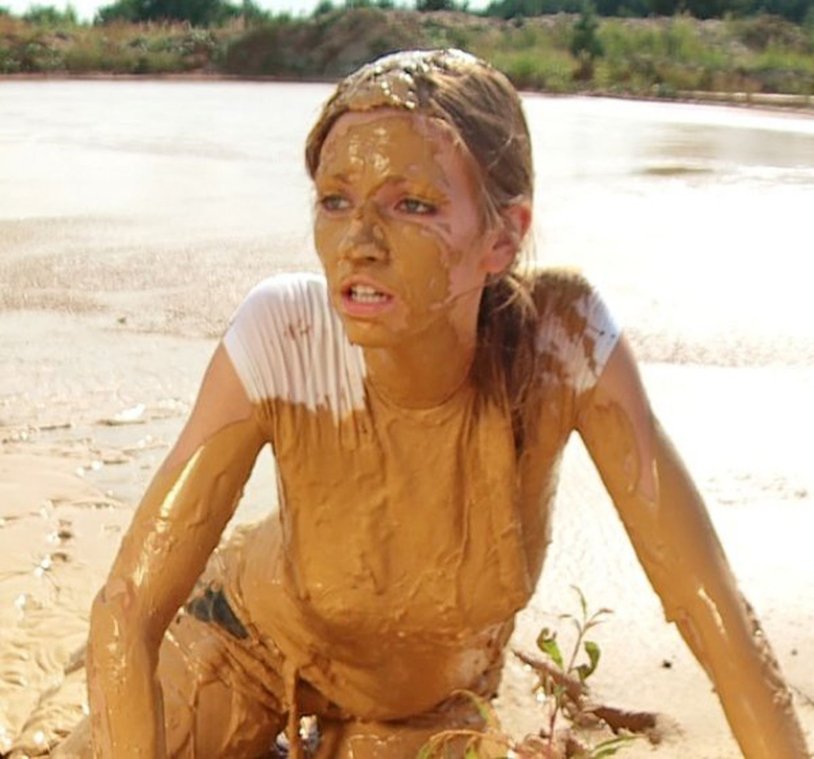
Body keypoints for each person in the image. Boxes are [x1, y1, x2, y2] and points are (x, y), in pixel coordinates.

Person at [59, 49, 808, 758]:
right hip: (246, 645)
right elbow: (126, 603)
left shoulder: (562, 346)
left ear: (502, 237)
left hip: (428, 701)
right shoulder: (283, 337)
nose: (359, 240)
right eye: (334, 201)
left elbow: (712, 610)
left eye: (411, 204)